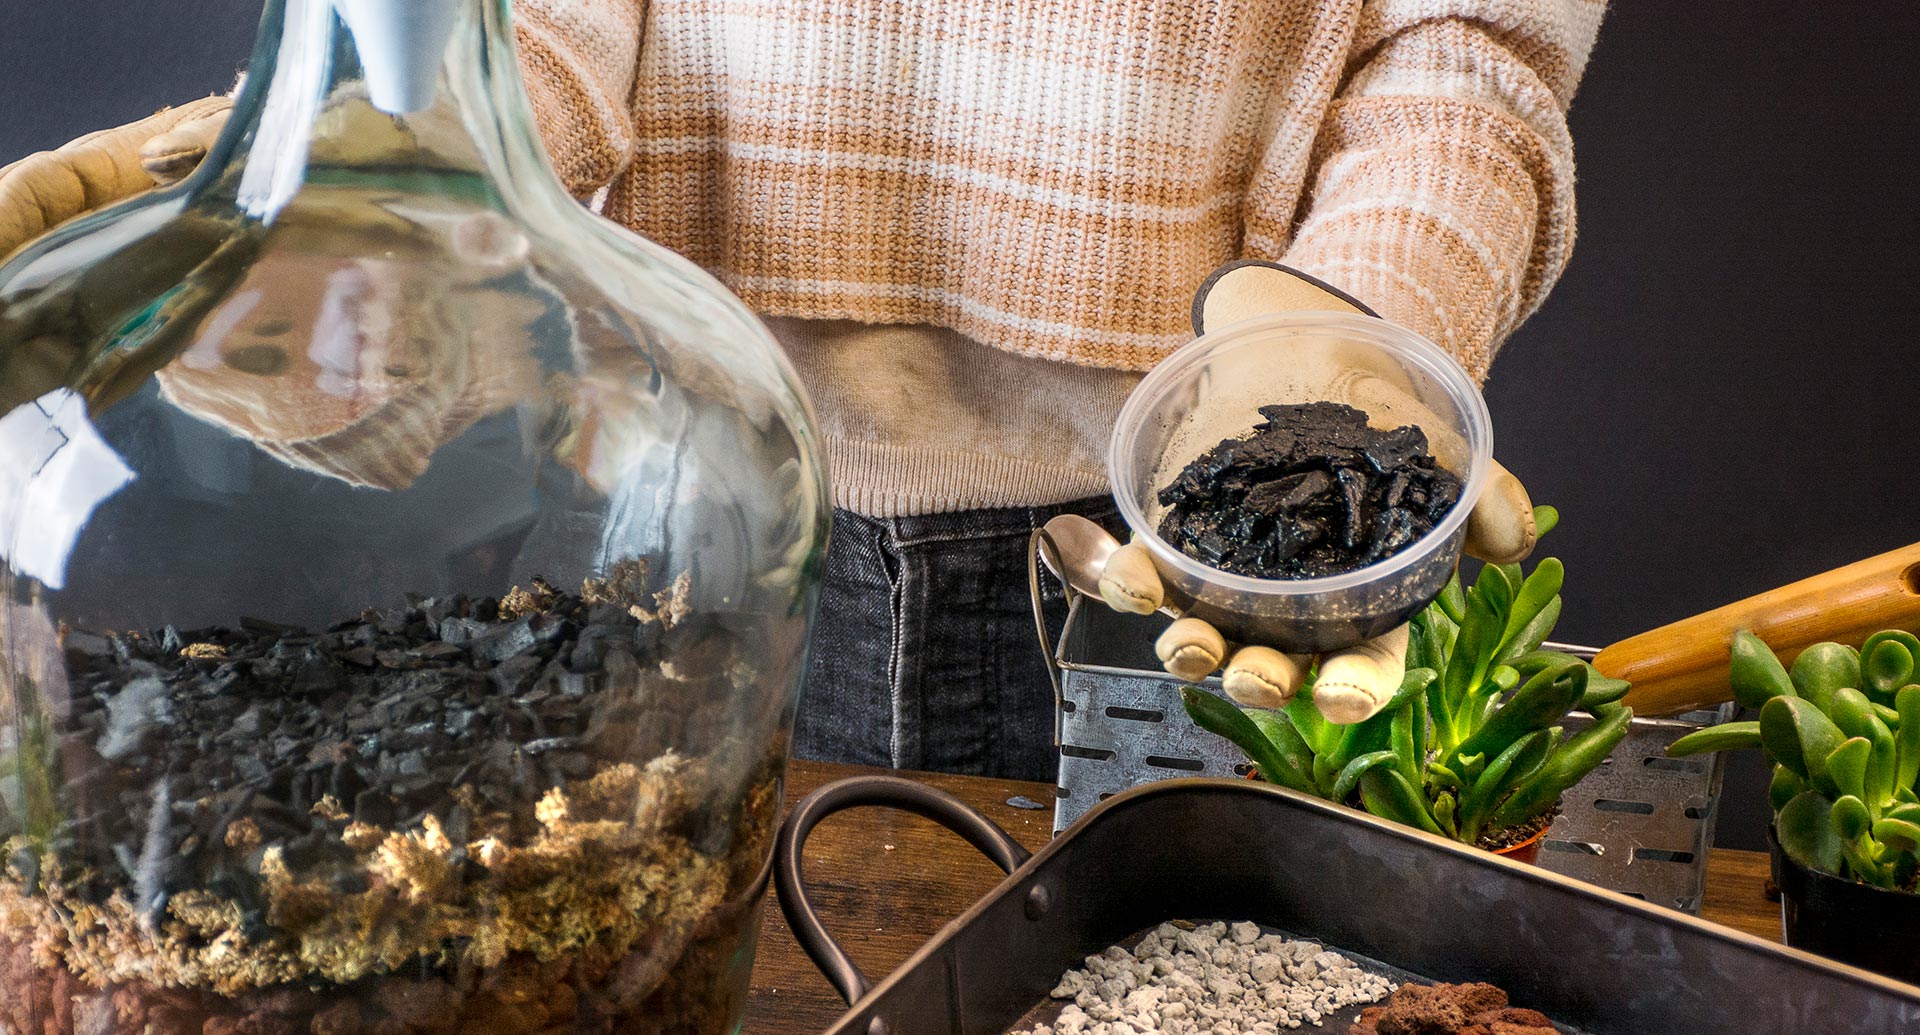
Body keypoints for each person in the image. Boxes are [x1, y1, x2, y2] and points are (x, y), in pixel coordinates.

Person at [0, 0, 1604, 781]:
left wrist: (1348, 329)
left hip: (1153, 570)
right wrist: (369, 179)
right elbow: (538, 25)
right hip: (683, 518)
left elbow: (1463, 52)